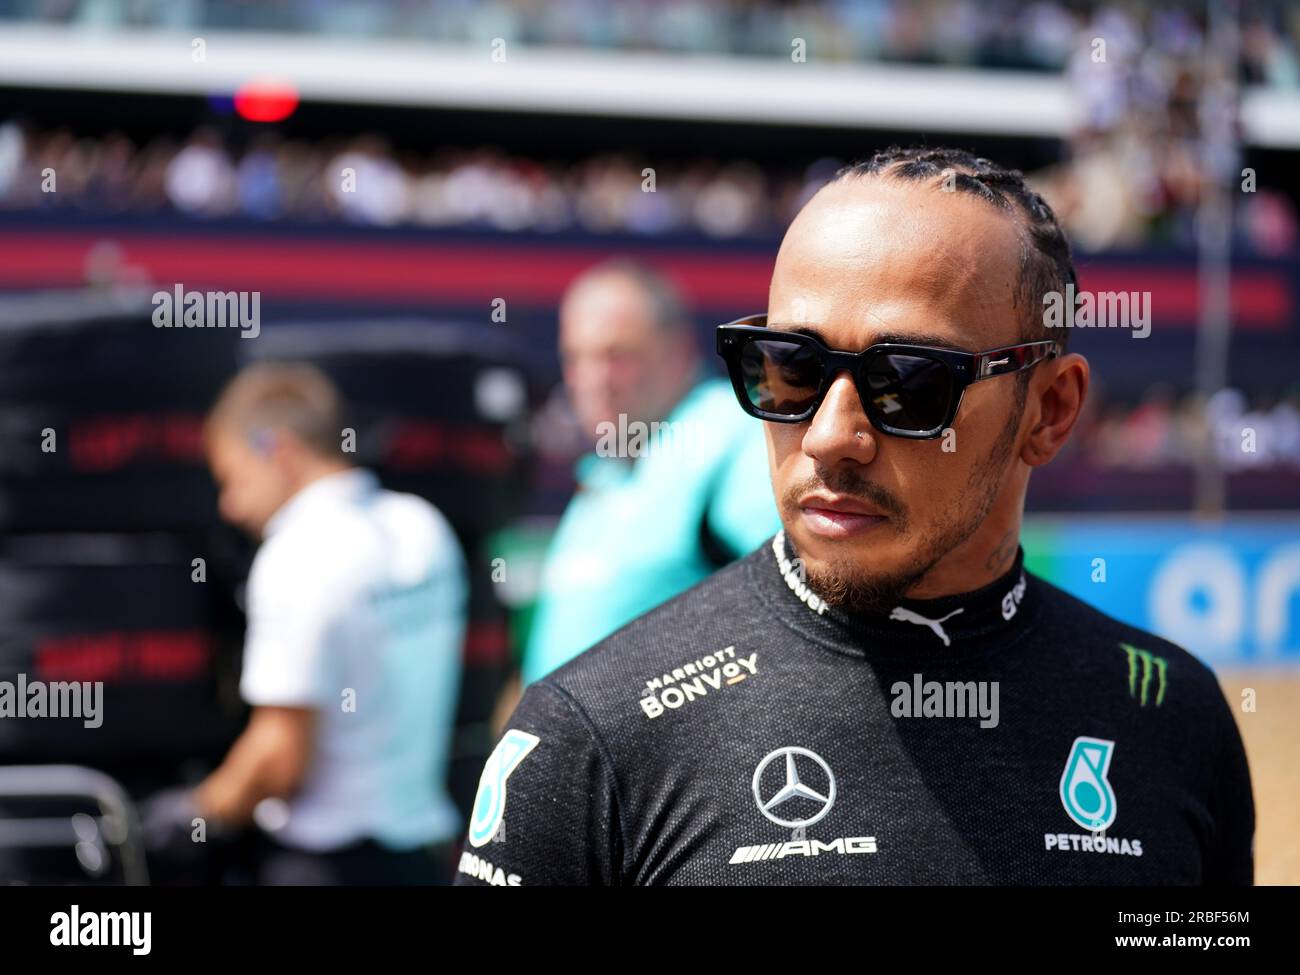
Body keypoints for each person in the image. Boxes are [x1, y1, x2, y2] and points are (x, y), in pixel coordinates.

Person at [454, 148, 1253, 886]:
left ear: (1049, 409)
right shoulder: (591, 734)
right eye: (790, 369)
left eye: (908, 380)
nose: (832, 437)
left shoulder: (1172, 716)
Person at [192, 362, 467, 884]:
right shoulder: (425, 527)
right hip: (421, 862)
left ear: (276, 449)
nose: (230, 506)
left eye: (232, 479)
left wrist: (196, 813)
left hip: (321, 867)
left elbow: (280, 756)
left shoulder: (295, 553)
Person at [517, 259, 780, 689]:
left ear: (679, 353)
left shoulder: (727, 437)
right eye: (576, 357)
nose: (593, 379)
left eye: (617, 355)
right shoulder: (607, 470)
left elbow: (805, 599)